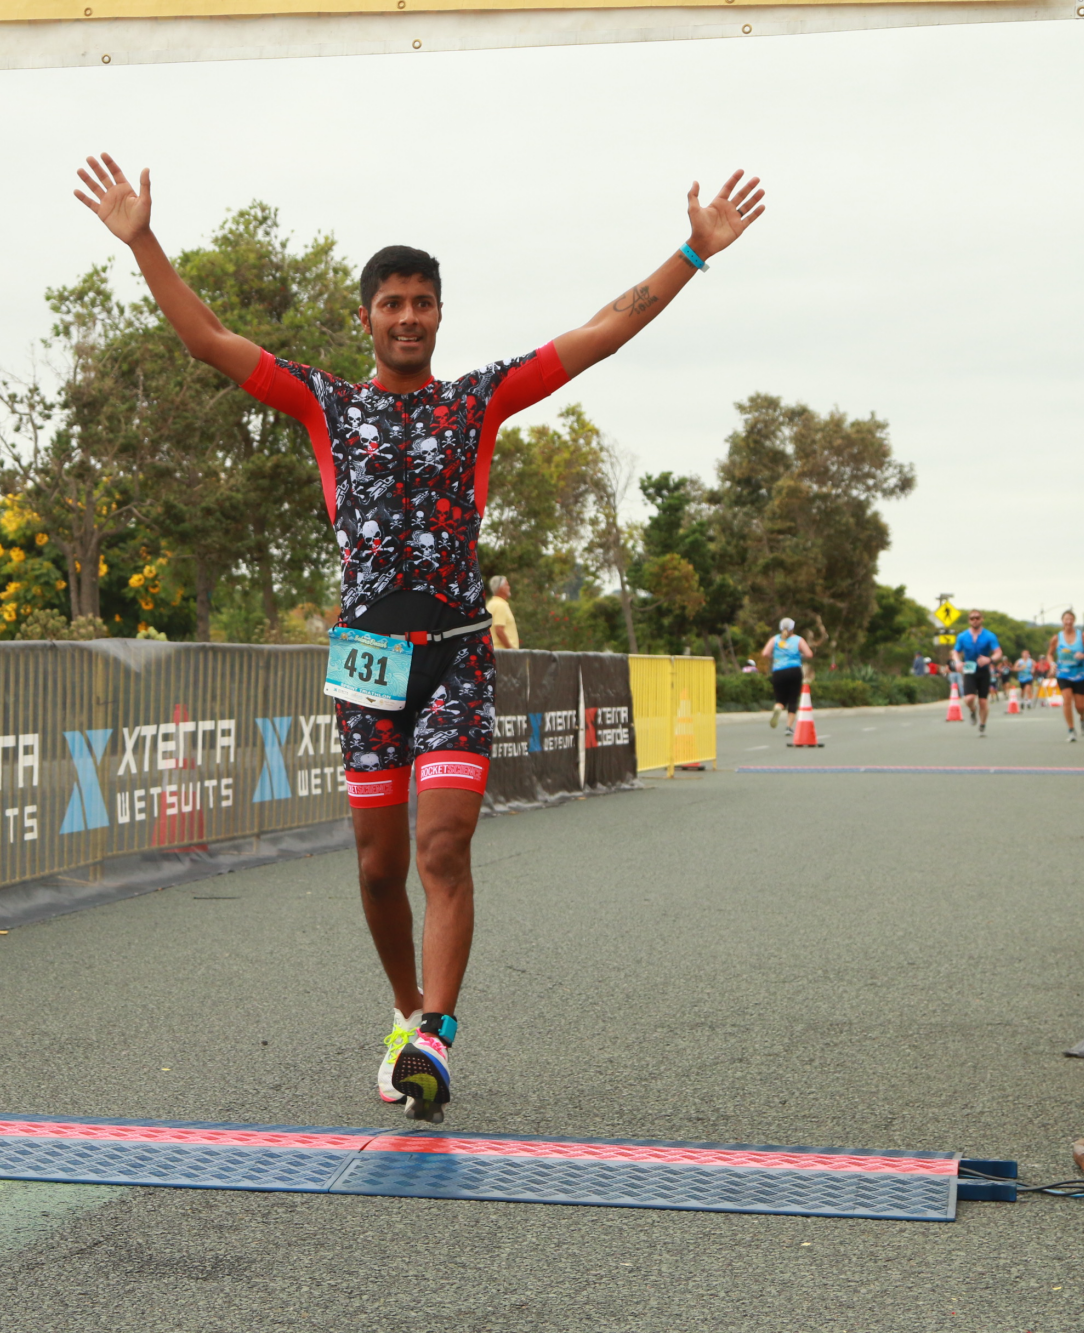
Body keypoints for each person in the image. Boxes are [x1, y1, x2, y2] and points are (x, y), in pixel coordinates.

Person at [72, 150, 766, 1120]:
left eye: (421, 302)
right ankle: (404, 1016)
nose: (406, 317)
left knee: (441, 848)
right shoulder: (325, 402)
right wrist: (140, 238)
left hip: (454, 652)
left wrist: (692, 251)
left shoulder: (475, 400)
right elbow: (209, 341)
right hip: (365, 661)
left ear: (439, 314)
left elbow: (597, 335)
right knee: (376, 865)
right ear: (366, 317)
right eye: (389, 303)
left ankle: (435, 1033)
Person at [1048, 609, 1084, 742]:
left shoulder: (1082, 636)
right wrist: (1052, 664)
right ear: (1062, 621)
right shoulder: (1057, 637)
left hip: (1080, 674)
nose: (1068, 622)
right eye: (1066, 619)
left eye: (1070, 619)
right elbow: (1049, 654)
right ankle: (1071, 729)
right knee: (1067, 699)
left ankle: (1082, 717)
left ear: (1074, 621)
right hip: (1063, 673)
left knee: (1080, 706)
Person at [951, 610, 1001, 736]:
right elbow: (955, 651)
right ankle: (973, 710)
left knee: (983, 701)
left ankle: (982, 724)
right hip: (969, 670)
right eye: (972, 618)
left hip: (984, 671)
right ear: (969, 620)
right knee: (969, 698)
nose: (975, 620)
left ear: (982, 619)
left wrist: (989, 659)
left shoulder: (989, 636)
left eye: (977, 618)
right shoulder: (962, 636)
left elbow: (998, 652)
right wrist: (957, 662)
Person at [760, 619, 811, 732]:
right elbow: (809, 654)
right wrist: (799, 656)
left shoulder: (775, 639)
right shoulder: (798, 640)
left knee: (780, 699)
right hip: (794, 670)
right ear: (793, 628)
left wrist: (776, 657)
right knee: (793, 699)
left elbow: (765, 653)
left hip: (778, 671)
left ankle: (778, 708)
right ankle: (788, 727)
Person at [487, 575, 519, 650]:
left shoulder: (491, 604)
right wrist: (511, 650)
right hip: (503, 653)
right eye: (506, 585)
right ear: (500, 588)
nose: (509, 587)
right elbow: (499, 630)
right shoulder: (500, 605)